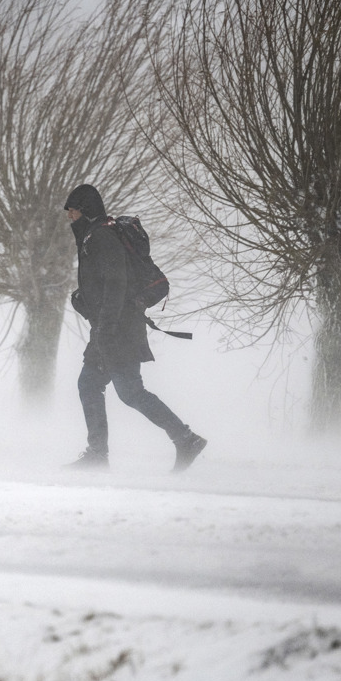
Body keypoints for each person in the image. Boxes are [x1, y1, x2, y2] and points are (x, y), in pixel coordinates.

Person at [63, 183, 206, 472]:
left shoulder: (102, 236)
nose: (70, 216)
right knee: (89, 384)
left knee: (129, 392)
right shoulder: (93, 236)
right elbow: (104, 283)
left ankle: (186, 439)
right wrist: (84, 298)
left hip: (117, 328)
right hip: (107, 326)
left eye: (73, 210)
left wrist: (108, 324)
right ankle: (97, 454)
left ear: (86, 210)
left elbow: (117, 282)